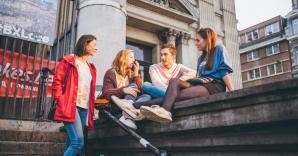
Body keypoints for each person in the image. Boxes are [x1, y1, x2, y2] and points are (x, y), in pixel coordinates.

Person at [112, 28, 234, 123]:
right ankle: (135, 107)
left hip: (214, 86)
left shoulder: (219, 49)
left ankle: (143, 107)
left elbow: (224, 72)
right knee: (174, 82)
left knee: (173, 96)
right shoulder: (201, 57)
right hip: (200, 83)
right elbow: (197, 76)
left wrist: (232, 92)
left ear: (207, 39)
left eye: (198, 40)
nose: (196, 43)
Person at [52, 34, 97, 156]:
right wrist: (61, 100)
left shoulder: (91, 67)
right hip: (70, 106)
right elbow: (57, 82)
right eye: (93, 45)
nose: (96, 48)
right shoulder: (69, 60)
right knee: (78, 142)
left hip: (84, 108)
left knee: (71, 142)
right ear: (85, 44)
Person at [101, 49, 151, 130]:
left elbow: (141, 91)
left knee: (147, 96)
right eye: (131, 57)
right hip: (115, 105)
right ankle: (129, 116)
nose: (134, 60)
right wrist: (123, 90)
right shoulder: (111, 73)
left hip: (128, 105)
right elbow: (106, 93)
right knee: (132, 85)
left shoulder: (131, 74)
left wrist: (136, 75)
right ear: (122, 58)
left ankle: (128, 115)